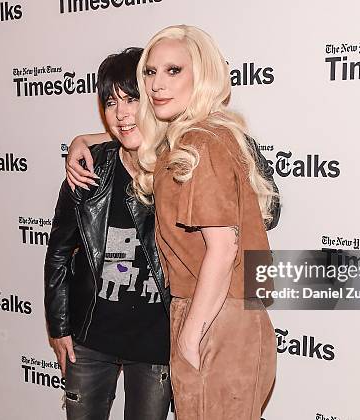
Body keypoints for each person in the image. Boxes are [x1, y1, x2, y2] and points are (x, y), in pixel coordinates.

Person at [134, 25, 277, 420]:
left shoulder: (199, 142)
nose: (156, 85)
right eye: (150, 72)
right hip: (228, 309)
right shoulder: (206, 137)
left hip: (215, 315)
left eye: (173, 71)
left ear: (204, 76)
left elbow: (223, 247)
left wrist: (191, 336)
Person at [44, 47, 172, 420]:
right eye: (111, 101)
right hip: (89, 340)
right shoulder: (87, 168)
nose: (121, 112)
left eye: (132, 98)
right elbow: (58, 253)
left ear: (153, 98)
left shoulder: (182, 165)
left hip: (157, 344)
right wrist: (59, 327)